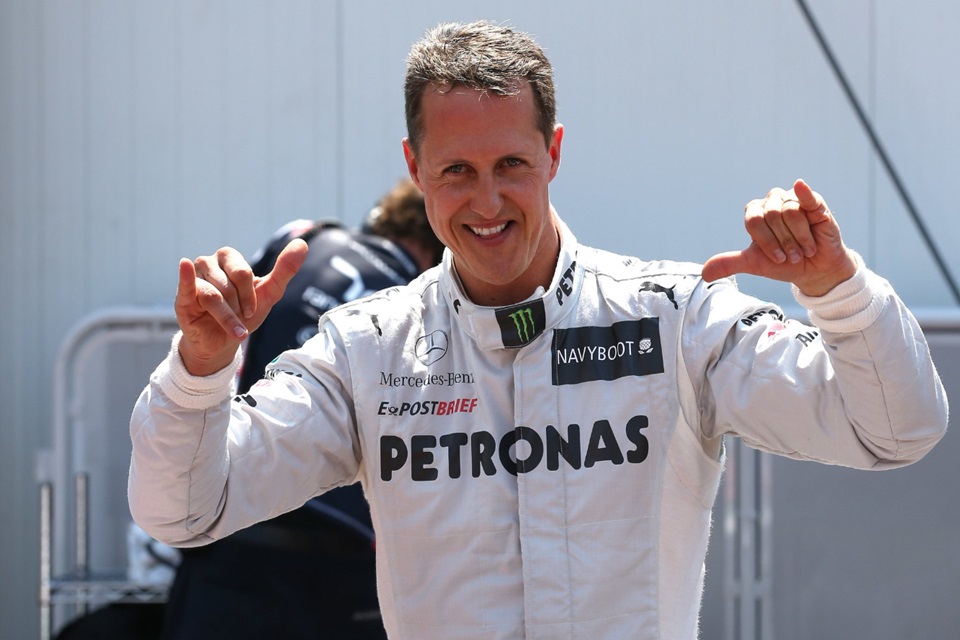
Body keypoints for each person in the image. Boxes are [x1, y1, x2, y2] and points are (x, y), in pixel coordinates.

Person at [129, 20, 948, 640]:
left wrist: (837, 291)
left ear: (553, 153)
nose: (486, 202)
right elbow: (184, 510)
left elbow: (894, 428)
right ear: (414, 168)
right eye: (457, 170)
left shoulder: (673, 318)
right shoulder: (367, 349)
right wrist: (200, 369)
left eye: (511, 165)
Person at [156, 178, 442, 640]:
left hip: (236, 530)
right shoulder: (425, 300)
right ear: (436, 250)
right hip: (340, 558)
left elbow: (231, 328)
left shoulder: (302, 238)